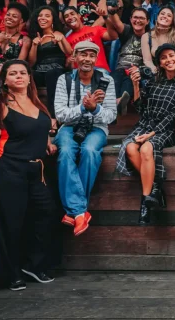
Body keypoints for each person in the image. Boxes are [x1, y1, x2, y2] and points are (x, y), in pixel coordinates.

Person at [0, 60, 58, 291]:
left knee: (47, 213)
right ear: (4, 80)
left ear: (30, 77)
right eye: (13, 73)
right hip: (7, 168)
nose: (19, 76)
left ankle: (33, 265)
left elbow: (40, 130)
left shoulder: (36, 102)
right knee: (10, 222)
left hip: (37, 169)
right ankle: (10, 273)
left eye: (23, 72)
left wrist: (48, 143)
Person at [116, 44, 175, 225]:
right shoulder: (154, 82)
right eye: (164, 58)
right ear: (160, 64)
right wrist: (135, 84)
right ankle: (156, 187)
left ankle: (145, 203)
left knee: (146, 149)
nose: (168, 60)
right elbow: (140, 107)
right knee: (131, 148)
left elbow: (173, 115)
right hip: (145, 125)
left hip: (164, 129)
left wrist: (151, 134)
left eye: (171, 56)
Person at [54, 42, 117, 236]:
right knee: (64, 152)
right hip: (70, 127)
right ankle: (80, 211)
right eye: (83, 55)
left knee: (90, 152)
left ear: (96, 60)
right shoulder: (64, 80)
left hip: (96, 127)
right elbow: (60, 114)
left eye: (91, 55)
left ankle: (74, 211)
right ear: (74, 57)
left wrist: (94, 109)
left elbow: (111, 116)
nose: (87, 59)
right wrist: (82, 108)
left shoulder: (106, 80)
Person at [28, 6, 73, 132]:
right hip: (40, 69)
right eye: (40, 15)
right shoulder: (35, 37)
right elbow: (31, 62)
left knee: (52, 74)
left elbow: (69, 52)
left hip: (57, 69)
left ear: (53, 19)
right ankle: (32, 117)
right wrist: (35, 45)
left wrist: (61, 40)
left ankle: (53, 117)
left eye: (47, 15)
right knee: (29, 75)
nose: (43, 18)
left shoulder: (58, 34)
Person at [106, 8, 149, 112]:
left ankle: (119, 102)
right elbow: (116, 23)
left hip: (136, 69)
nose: (138, 20)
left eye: (141, 18)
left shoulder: (150, 37)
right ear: (130, 19)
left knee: (130, 79)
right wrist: (111, 12)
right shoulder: (128, 31)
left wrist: (140, 69)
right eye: (135, 17)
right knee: (114, 79)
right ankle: (118, 103)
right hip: (120, 68)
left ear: (147, 21)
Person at [63, 6, 119, 73]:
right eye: (66, 16)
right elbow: (69, 65)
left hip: (99, 70)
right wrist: (69, 61)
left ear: (79, 15)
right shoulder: (67, 40)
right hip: (80, 74)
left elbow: (114, 36)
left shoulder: (95, 29)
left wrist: (105, 17)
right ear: (65, 22)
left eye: (72, 14)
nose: (70, 17)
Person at [0, 2, 32, 73]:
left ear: (21, 21)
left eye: (14, 16)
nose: (9, 17)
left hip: (11, 72)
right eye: (8, 14)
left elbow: (20, 64)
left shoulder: (25, 40)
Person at [142, 5, 175, 73]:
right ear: (157, 17)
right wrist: (157, 73)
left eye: (169, 15)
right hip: (155, 72)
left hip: (173, 71)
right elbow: (147, 61)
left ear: (172, 21)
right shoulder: (146, 36)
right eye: (162, 14)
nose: (165, 16)